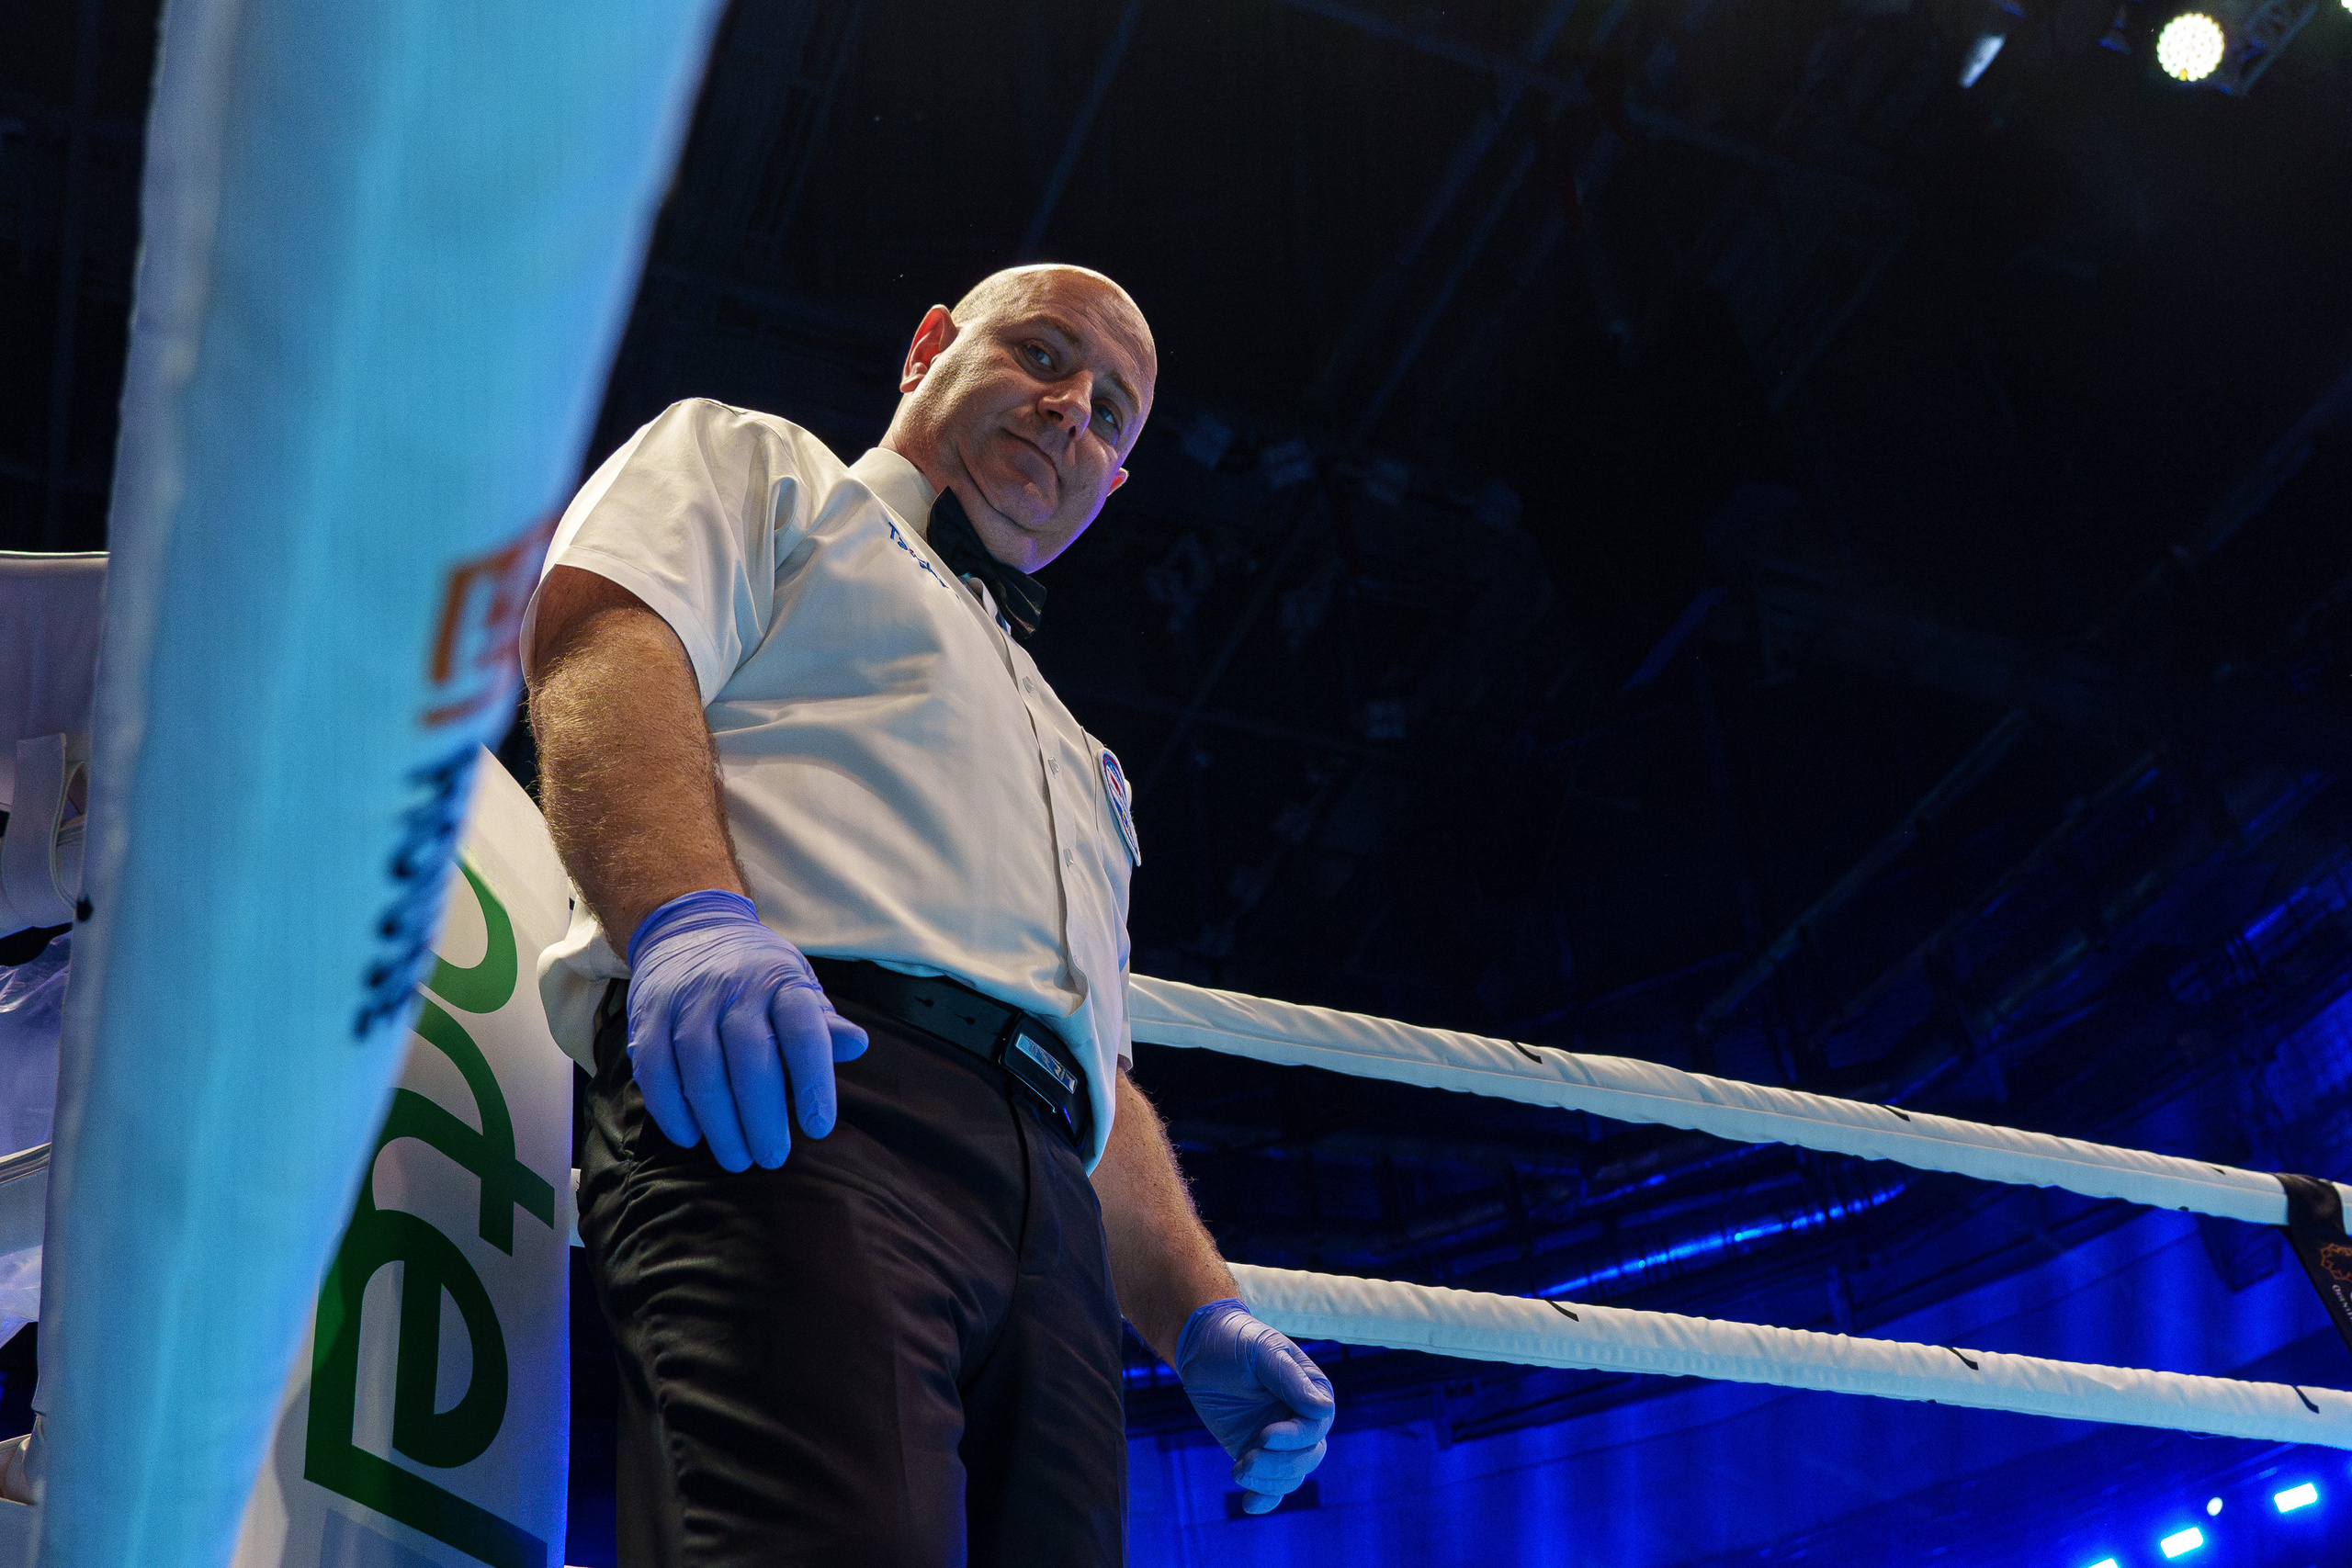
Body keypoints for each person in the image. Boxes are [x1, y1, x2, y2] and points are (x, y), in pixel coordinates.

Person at [523, 263, 1335, 1565]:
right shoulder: (758, 463)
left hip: (1054, 1220)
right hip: (800, 1092)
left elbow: (1089, 1060)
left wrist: (1197, 1312)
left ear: (1115, 483)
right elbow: (609, 635)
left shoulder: (1084, 758)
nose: (1074, 411)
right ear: (929, 349)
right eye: (1044, 354)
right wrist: (687, 918)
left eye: (1114, 412)